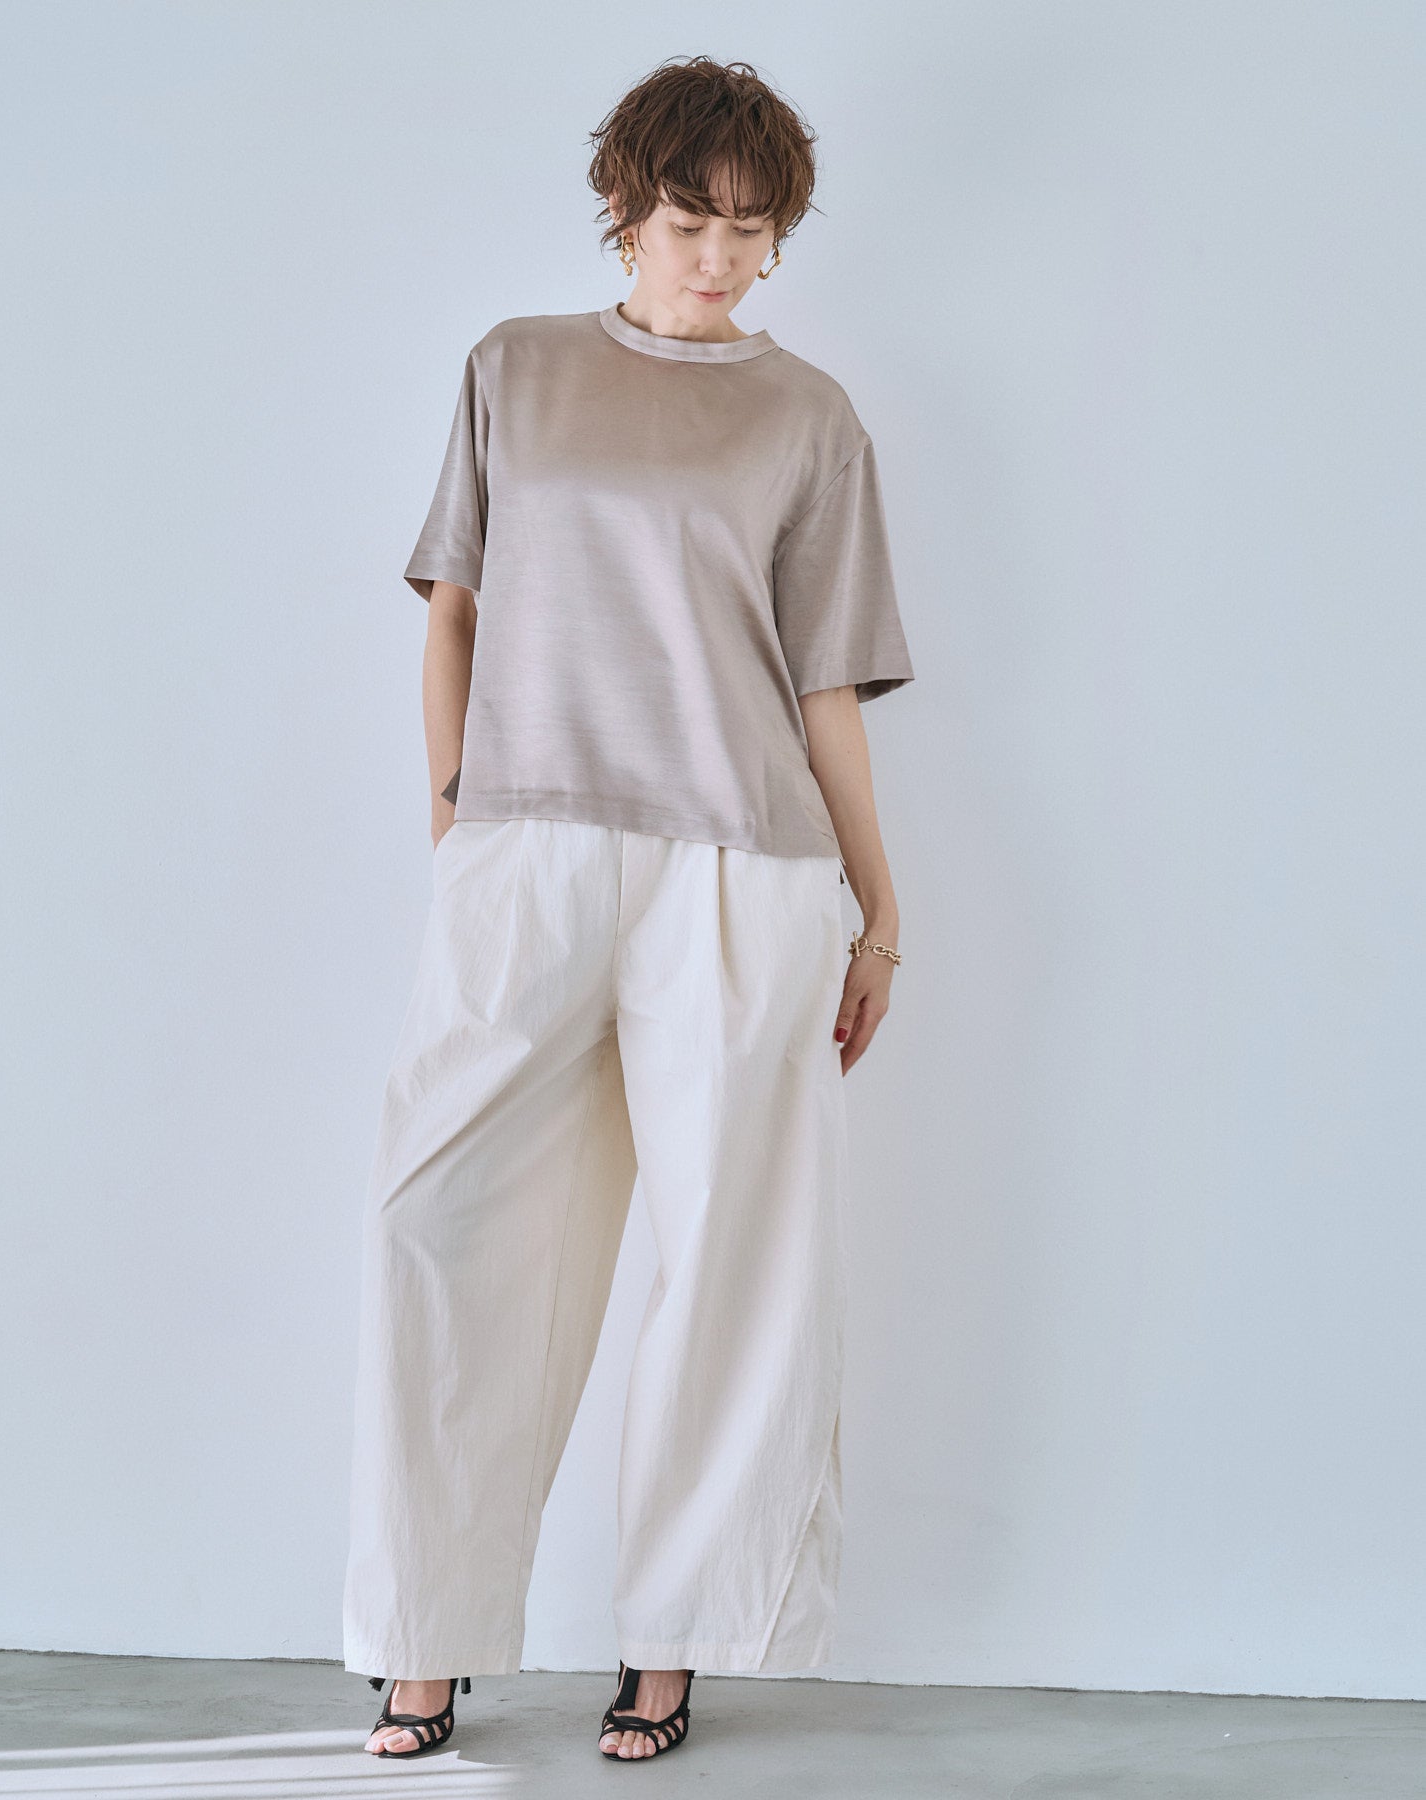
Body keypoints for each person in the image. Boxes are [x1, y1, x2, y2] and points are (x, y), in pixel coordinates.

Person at [343, 53, 915, 1765]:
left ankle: (670, 1640)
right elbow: (453, 611)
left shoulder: (810, 417)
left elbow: (823, 689)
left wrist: (880, 911)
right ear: (624, 208)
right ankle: (427, 1639)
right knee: (442, 1228)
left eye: (752, 229)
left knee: (731, 1252)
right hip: (527, 850)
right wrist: (456, 814)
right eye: (688, 222)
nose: (721, 258)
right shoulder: (515, 369)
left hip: (747, 868)